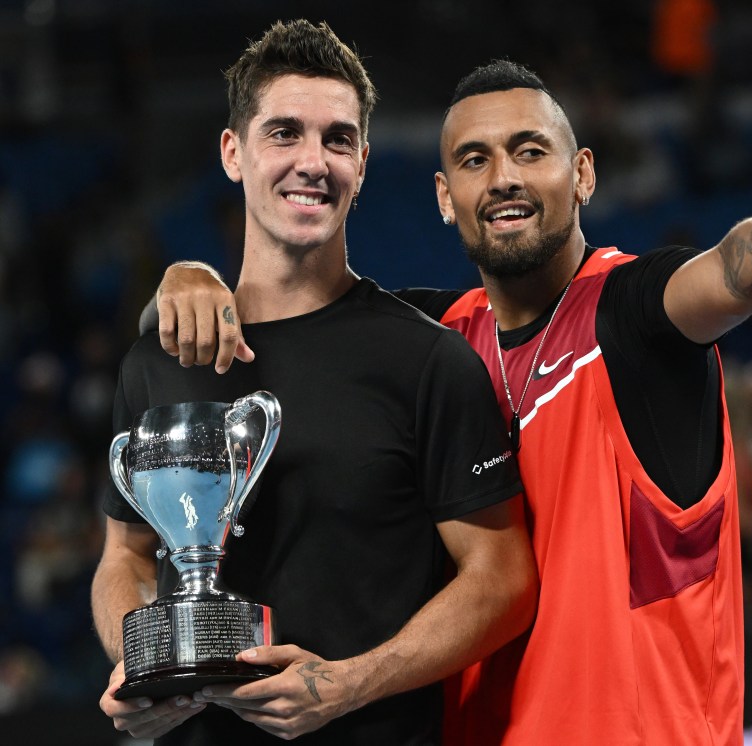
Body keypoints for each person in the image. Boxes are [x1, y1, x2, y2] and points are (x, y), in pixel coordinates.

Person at [146, 60, 752, 745]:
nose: (503, 177)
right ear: (446, 198)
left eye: (529, 151)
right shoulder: (435, 340)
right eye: (475, 161)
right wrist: (186, 280)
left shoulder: (635, 314)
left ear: (582, 175)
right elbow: (278, 317)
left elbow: (730, 273)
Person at [92, 22, 539, 746]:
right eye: (284, 134)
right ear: (233, 153)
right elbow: (124, 556)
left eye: (337, 140)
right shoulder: (157, 358)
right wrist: (138, 660)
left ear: (363, 163)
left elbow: (504, 578)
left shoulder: (428, 361)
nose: (313, 162)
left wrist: (348, 684)